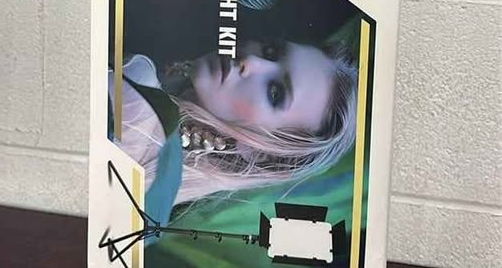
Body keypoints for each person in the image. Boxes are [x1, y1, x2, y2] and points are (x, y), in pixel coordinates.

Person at [109, 38, 357, 207]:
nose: (252, 62)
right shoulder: (161, 186)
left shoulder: (137, 95)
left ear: (259, 152)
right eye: (271, 52)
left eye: (275, 93)